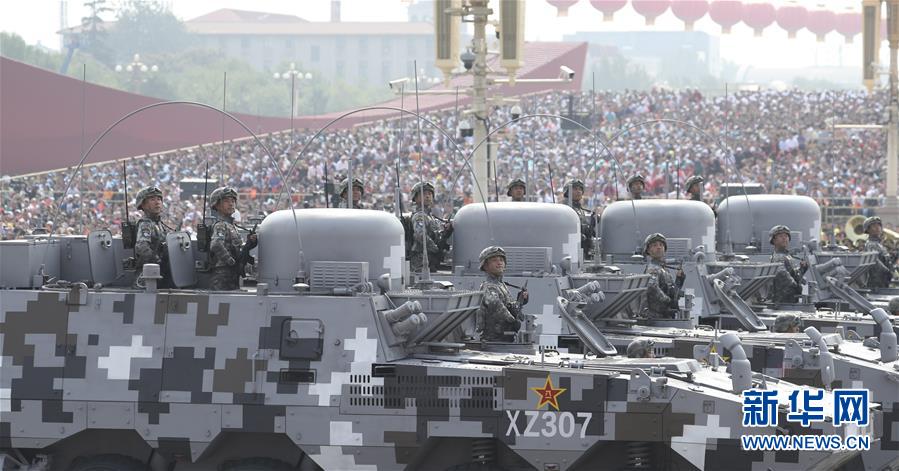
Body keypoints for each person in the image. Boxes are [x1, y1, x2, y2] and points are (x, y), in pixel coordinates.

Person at [208, 186, 258, 290]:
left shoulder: (231, 226)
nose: (231, 204)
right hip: (222, 274)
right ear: (217, 205)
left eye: (232, 201)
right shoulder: (220, 225)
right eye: (226, 201)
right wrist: (231, 261)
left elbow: (236, 248)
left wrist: (250, 242)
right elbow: (216, 244)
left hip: (232, 274)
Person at [476, 246, 528, 342]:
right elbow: (498, 308)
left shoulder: (501, 285)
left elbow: (508, 305)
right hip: (493, 340)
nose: (499, 263)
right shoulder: (489, 287)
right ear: (485, 266)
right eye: (494, 260)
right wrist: (513, 320)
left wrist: (520, 301)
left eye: (501, 260)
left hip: (505, 339)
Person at [133, 186, 172, 288]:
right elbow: (142, 247)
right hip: (149, 276)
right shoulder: (146, 224)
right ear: (143, 204)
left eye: (159, 199)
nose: (157, 202)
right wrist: (157, 261)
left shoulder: (158, 224)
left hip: (158, 274)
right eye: (152, 199)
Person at [408, 181, 452, 273]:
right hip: (420, 262)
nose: (427, 196)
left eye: (429, 194)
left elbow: (435, 234)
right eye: (423, 194)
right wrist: (435, 249)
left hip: (430, 261)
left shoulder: (430, 216)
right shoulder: (420, 216)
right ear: (415, 198)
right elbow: (420, 235)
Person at [641, 233, 685, 319]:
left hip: (664, 316)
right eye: (654, 245)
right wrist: (668, 301)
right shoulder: (652, 269)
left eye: (661, 245)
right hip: (654, 317)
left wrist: (679, 280)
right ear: (648, 250)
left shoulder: (664, 269)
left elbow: (670, 290)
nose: (659, 247)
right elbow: (652, 287)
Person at [768, 225, 807, 304]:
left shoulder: (787, 256)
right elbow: (785, 277)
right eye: (780, 236)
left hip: (790, 300)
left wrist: (803, 268)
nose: (784, 238)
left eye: (786, 236)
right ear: (774, 240)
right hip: (783, 301)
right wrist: (797, 286)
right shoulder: (778, 257)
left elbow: (794, 275)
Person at [561, 179, 596, 258]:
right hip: (569, 251)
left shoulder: (583, 211)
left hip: (584, 250)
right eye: (575, 189)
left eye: (580, 189)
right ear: (567, 192)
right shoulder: (563, 209)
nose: (578, 191)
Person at [863, 216, 895, 289]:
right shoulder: (870, 244)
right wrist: (888, 271)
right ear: (868, 230)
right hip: (875, 284)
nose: (877, 228)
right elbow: (876, 262)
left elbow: (886, 260)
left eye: (879, 225)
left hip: (883, 282)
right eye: (874, 226)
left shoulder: (879, 245)